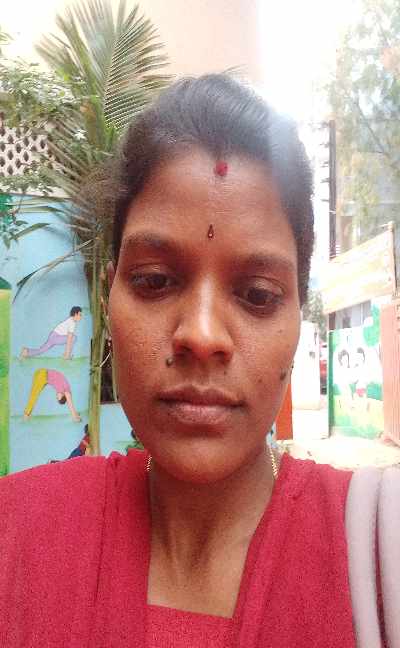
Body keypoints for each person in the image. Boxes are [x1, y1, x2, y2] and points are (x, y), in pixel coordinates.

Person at [1, 75, 361, 647]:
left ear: (298, 315)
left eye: (258, 294)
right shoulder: (18, 538)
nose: (201, 335)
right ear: (107, 298)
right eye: (154, 281)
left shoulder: (374, 553)